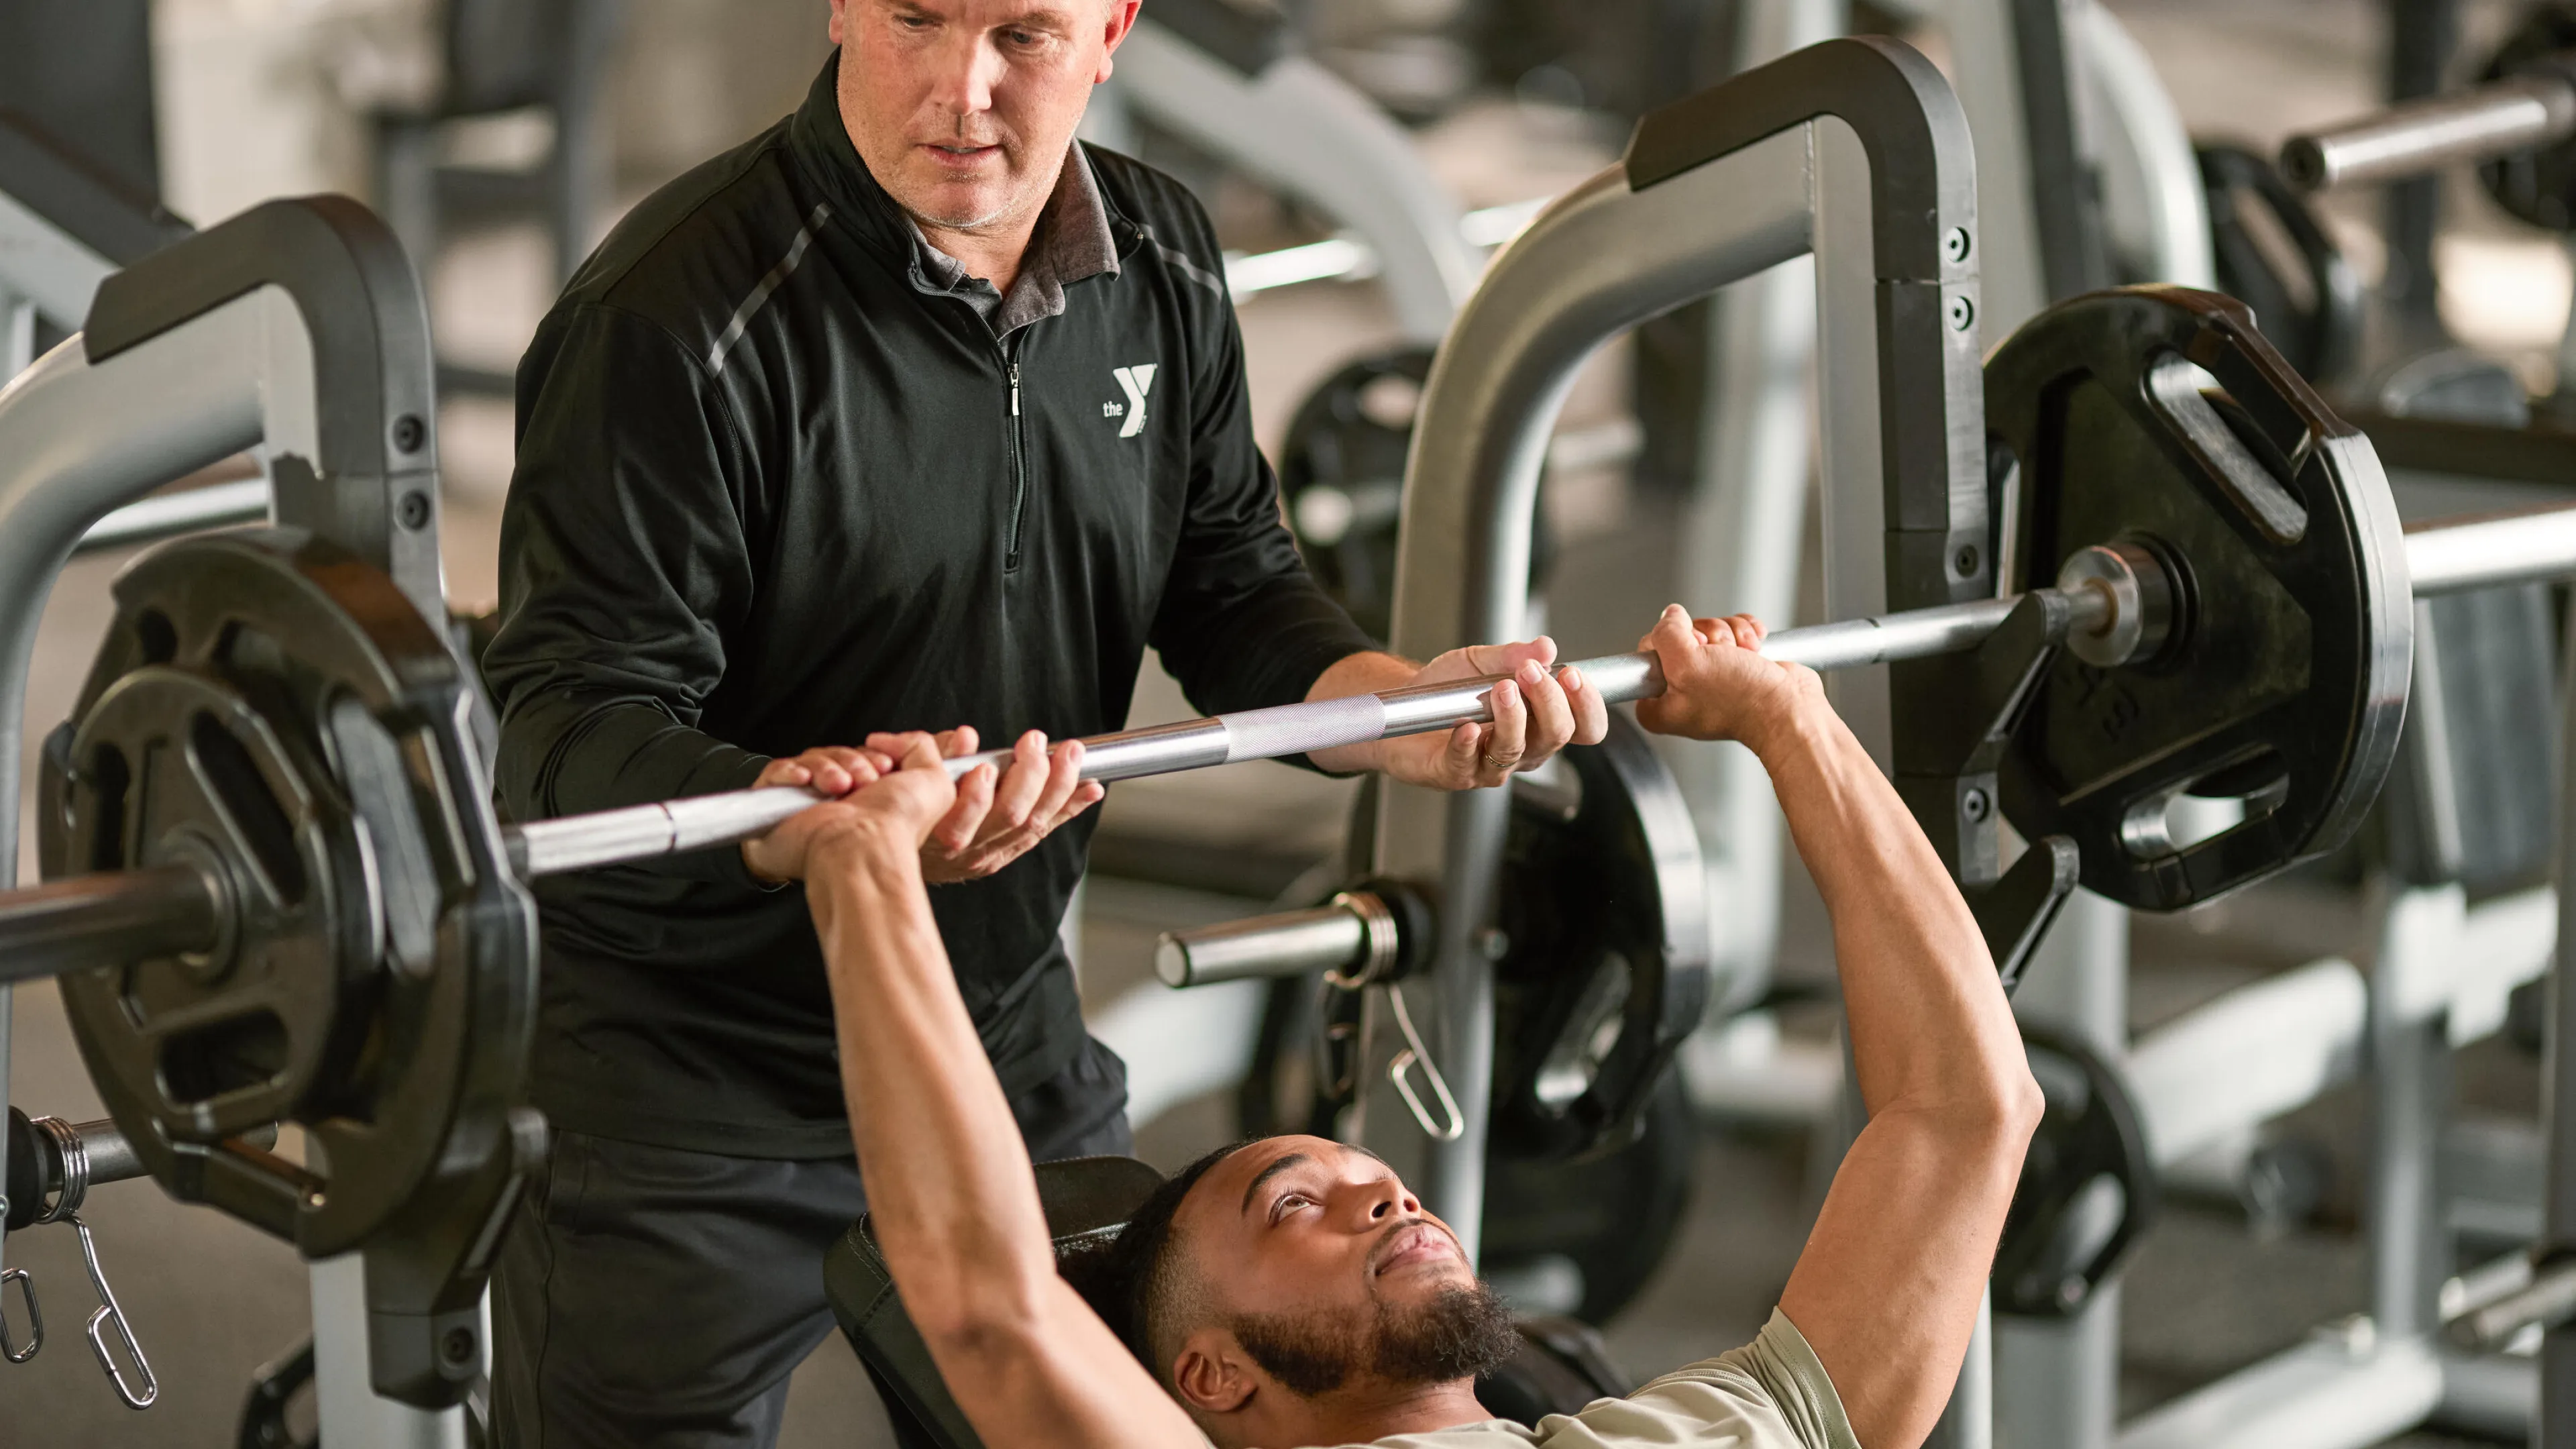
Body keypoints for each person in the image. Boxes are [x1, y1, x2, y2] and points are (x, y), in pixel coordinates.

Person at [474, 0, 1609, 1440]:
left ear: (1116, 25)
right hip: (690, 1079)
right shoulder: (673, 318)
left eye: (1024, 31)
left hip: (1003, 1040)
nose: (964, 88)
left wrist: (1395, 715)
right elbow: (566, 730)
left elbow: (1235, 591)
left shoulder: (1165, 254)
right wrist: (812, 824)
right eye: (916, 18)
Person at [753, 604, 2047, 1449]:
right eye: (1293, 1206)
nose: (1383, 1199)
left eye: (1370, 1178)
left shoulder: (1703, 1431)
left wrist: (1792, 722)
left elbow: (1972, 1112)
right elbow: (991, 1309)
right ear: (1210, 1380)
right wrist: (865, 875)